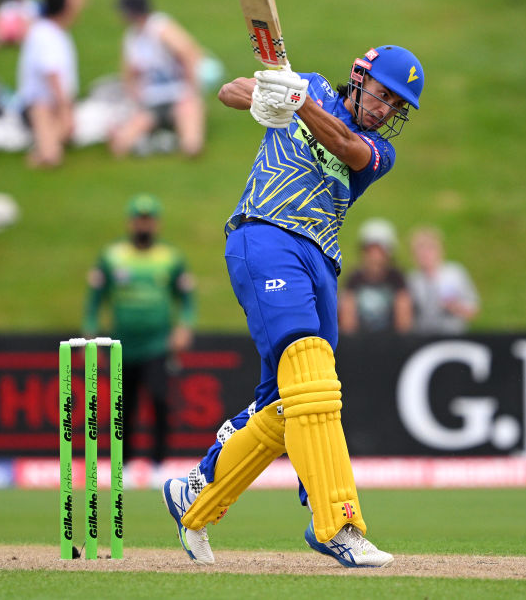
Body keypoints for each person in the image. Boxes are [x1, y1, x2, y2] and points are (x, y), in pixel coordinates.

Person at [161, 44, 425, 568]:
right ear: (359, 76)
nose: (386, 110)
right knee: (312, 378)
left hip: (321, 261)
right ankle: (338, 523)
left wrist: (300, 103)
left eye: (398, 106)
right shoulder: (310, 84)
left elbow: (347, 146)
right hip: (266, 236)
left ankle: (197, 493)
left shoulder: (377, 149)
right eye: (384, 95)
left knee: (287, 404)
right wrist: (266, 102)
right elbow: (227, 90)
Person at [82, 194, 197, 470]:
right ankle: (124, 464)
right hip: (121, 344)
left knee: (159, 399)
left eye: (148, 220)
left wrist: (184, 326)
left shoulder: (170, 257)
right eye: (139, 220)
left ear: (156, 223)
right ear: (130, 222)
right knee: (123, 406)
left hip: (158, 344)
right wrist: (90, 331)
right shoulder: (112, 256)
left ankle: (159, 463)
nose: (143, 226)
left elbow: (187, 298)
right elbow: (95, 298)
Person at [110, 0, 206, 158]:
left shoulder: (159, 26)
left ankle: (174, 140)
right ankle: (159, 140)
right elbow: (129, 74)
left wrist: (191, 90)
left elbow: (189, 54)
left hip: (178, 93)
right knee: (120, 146)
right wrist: (133, 101)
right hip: (151, 99)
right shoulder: (132, 36)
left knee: (192, 145)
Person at [15, 0, 84, 168]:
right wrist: (65, 109)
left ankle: (47, 141)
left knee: (66, 134)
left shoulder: (49, 31)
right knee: (51, 156)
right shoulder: (46, 35)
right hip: (41, 105)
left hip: (53, 102)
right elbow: (52, 75)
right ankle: (42, 149)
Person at [338, 217, 413, 334]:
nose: (375, 257)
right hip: (360, 341)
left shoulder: (397, 278)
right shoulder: (353, 278)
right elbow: (347, 321)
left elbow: (404, 320)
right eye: (371, 250)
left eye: (379, 251)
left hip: (391, 340)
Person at [407, 226, 479, 335]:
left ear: (441, 250)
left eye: (430, 248)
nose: (425, 254)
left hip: (453, 335)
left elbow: (473, 309)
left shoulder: (455, 273)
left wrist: (457, 307)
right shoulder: (412, 280)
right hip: (423, 337)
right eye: (421, 249)